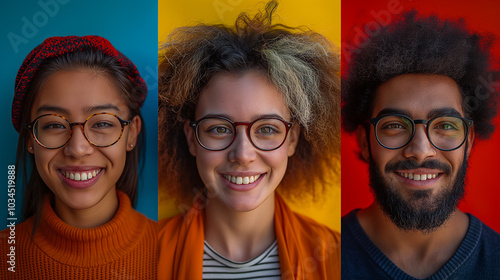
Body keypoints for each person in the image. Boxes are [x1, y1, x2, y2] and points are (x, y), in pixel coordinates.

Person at [157, 1, 341, 279]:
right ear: (191, 138)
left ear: (292, 139)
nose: (242, 154)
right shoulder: (147, 256)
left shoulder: (336, 257)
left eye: (267, 129)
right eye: (219, 129)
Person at [341, 10, 500, 279]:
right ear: (365, 142)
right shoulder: (322, 255)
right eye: (394, 125)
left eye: (445, 125)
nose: (421, 150)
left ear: (469, 142)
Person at [0, 35, 157, 279]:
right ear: (30, 139)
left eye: (103, 123)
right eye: (53, 125)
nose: (77, 148)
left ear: (131, 133)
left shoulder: (173, 254)